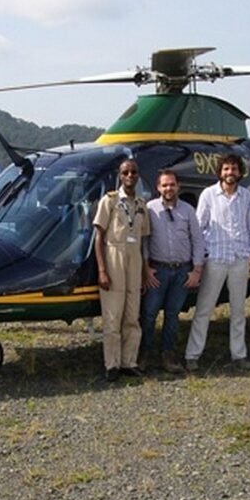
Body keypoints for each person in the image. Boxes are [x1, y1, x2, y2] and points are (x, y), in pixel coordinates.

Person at [184, 153, 250, 371]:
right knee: (204, 309)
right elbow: (198, 227)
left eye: (234, 169)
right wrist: (202, 254)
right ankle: (193, 354)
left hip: (239, 259)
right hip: (215, 258)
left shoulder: (246, 197)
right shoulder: (209, 195)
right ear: (220, 172)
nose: (230, 173)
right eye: (226, 169)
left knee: (238, 309)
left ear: (239, 172)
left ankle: (239, 354)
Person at [140, 170, 205, 373]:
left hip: (181, 271)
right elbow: (143, 241)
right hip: (157, 270)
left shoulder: (187, 211)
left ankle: (168, 355)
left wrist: (196, 270)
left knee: (173, 314)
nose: (168, 188)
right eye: (164, 185)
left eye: (172, 185)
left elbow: (197, 240)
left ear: (178, 187)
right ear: (158, 188)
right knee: (149, 314)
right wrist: (146, 270)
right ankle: (144, 354)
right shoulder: (149, 209)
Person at [93, 158, 151, 382]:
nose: (130, 176)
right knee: (112, 316)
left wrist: (145, 272)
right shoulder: (109, 201)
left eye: (134, 172)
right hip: (113, 256)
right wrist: (102, 270)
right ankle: (112, 364)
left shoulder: (142, 205)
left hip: (134, 259)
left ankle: (129, 361)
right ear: (120, 175)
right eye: (126, 172)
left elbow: (144, 241)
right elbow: (99, 237)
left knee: (132, 316)